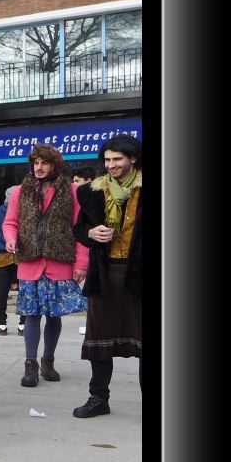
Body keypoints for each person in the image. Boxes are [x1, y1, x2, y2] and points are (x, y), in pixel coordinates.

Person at [2, 145, 88, 388]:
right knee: (32, 314)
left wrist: (82, 263)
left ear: (55, 165)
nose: (39, 168)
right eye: (35, 163)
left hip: (59, 262)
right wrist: (11, 238)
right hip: (29, 263)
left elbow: (80, 228)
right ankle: (31, 365)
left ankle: (48, 360)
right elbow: (10, 222)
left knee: (54, 315)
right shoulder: (20, 192)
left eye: (44, 163)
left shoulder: (72, 192)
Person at [73, 135, 144, 418]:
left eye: (117, 159)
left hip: (140, 272)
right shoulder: (91, 192)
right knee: (99, 339)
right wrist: (90, 233)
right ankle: (98, 398)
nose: (111, 165)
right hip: (104, 273)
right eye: (107, 160)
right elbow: (79, 229)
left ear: (133, 159)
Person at [0, 188, 23, 337]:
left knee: (2, 292)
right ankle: (23, 324)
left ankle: (1, 324)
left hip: (3, 255)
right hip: (21, 255)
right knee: (24, 291)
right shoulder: (23, 209)